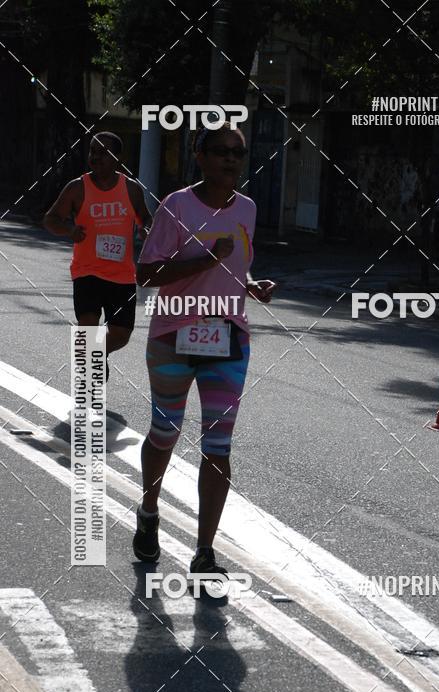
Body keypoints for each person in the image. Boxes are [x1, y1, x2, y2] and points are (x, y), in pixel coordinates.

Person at [132, 122, 275, 605]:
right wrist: (205, 261)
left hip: (228, 338)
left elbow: (235, 266)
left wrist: (249, 285)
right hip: (173, 335)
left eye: (238, 152)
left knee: (218, 446)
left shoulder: (248, 208)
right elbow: (146, 273)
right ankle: (149, 511)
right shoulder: (176, 206)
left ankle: (204, 552)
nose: (230, 159)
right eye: (220, 151)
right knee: (164, 433)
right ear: (200, 156)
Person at [44, 132, 152, 378]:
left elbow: (145, 217)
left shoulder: (131, 189)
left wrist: (146, 228)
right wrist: (69, 230)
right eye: (93, 151)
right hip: (87, 272)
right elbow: (50, 219)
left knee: (122, 334)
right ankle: (88, 389)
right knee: (88, 328)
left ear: (118, 158)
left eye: (104, 152)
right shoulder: (77, 188)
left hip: (122, 275)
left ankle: (98, 353)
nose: (96, 157)